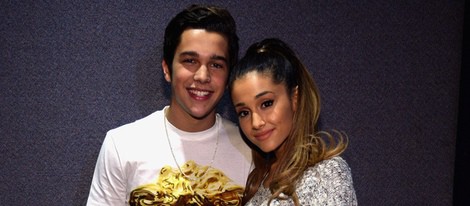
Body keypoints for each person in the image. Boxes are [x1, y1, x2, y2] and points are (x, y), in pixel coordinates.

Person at [86, 4, 252, 206]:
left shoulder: (250, 150)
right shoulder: (122, 145)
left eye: (216, 65)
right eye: (190, 61)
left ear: (228, 76)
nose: (202, 76)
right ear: (167, 69)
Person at [228, 38, 357, 205]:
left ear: (295, 98)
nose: (256, 122)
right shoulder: (258, 181)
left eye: (266, 104)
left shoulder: (327, 174)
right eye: (244, 112)